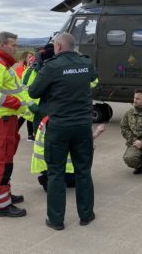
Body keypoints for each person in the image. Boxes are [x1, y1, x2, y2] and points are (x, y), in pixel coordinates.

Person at [28, 33, 100, 231]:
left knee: (56, 173)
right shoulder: (86, 63)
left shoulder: (51, 67)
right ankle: (86, 215)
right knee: (83, 171)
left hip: (59, 127)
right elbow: (93, 78)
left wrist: (42, 68)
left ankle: (56, 220)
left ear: (58, 46)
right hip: (83, 126)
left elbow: (33, 92)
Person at [0, 31, 34, 218]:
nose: (16, 48)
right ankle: (2, 205)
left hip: (9, 118)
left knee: (8, 159)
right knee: (2, 162)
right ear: (2, 44)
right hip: (2, 120)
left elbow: (17, 91)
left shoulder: (5, 64)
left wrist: (28, 109)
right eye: (13, 44)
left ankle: (5, 192)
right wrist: (19, 104)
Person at [31, 116, 106, 191]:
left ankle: (51, 177)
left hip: (44, 162)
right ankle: (48, 179)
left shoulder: (50, 117)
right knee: (80, 179)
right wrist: (96, 133)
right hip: (50, 163)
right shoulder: (63, 121)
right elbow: (78, 143)